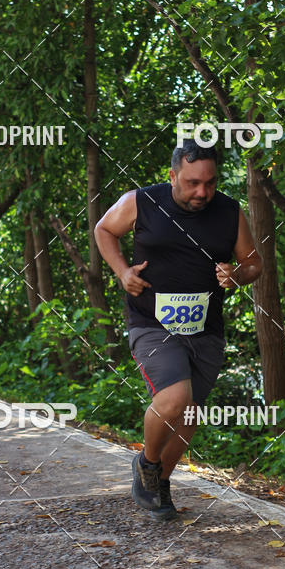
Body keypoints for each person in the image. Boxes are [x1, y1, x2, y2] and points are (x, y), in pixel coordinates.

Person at [94, 139, 263, 519]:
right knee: (174, 400)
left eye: (210, 183)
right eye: (191, 183)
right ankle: (148, 464)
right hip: (151, 323)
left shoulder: (229, 212)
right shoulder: (141, 202)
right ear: (172, 176)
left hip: (206, 329)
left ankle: (159, 486)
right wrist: (123, 272)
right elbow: (104, 230)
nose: (202, 192)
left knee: (189, 418)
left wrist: (237, 275)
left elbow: (254, 263)